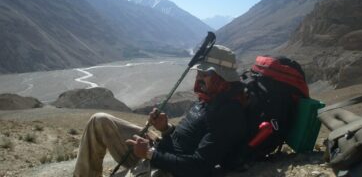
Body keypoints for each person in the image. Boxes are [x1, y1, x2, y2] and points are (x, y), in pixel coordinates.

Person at [73, 45, 247, 177]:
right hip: (160, 150)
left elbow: (198, 166)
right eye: (198, 72)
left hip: (167, 168)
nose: (198, 78)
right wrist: (165, 128)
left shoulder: (229, 112)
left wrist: (150, 154)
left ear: (221, 77)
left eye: (204, 73)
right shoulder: (210, 97)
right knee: (100, 120)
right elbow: (185, 139)